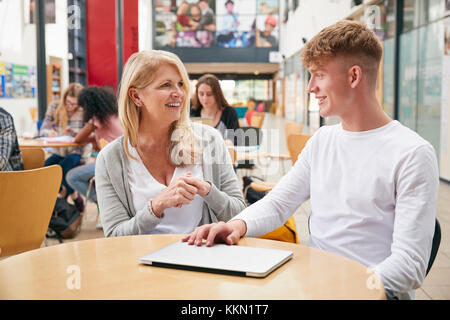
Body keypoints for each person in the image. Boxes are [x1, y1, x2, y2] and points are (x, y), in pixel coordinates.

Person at [183, 20, 439, 300]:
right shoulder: (322, 141)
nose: (310, 87)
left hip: (373, 291)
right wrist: (235, 225)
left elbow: (411, 266)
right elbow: (280, 203)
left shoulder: (412, 153)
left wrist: (342, 287)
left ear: (354, 77)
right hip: (317, 283)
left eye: (319, 75)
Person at [95, 50, 245, 237]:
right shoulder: (110, 159)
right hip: (141, 262)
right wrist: (156, 206)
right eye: (166, 85)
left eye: (181, 84)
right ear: (135, 96)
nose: (179, 93)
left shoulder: (210, 140)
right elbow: (114, 237)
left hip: (201, 258)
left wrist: (208, 191)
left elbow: (240, 213)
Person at [66, 86, 123, 211]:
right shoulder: (111, 116)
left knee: (71, 176)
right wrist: (87, 137)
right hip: (121, 161)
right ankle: (104, 201)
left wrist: (79, 135)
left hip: (112, 163)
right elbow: (93, 138)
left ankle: (102, 201)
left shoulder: (95, 120)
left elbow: (78, 140)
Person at [39, 82, 90, 211]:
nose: (70, 106)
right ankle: (72, 195)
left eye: (74, 104)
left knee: (63, 168)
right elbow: (42, 130)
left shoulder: (84, 111)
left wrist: (84, 159)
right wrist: (49, 133)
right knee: (46, 169)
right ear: (64, 98)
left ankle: (63, 198)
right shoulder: (55, 106)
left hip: (76, 152)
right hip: (59, 151)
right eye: (68, 102)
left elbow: (90, 137)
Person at [190, 73, 240, 144]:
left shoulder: (229, 113)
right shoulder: (193, 112)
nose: (205, 98)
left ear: (217, 94)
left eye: (209, 94)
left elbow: (235, 140)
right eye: (201, 94)